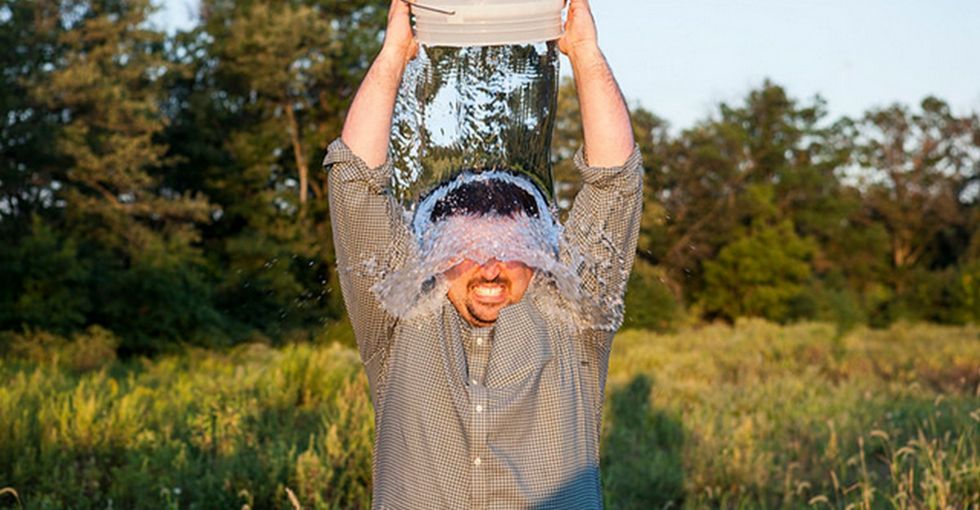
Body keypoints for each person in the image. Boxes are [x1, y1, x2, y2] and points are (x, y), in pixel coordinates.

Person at [324, 0, 642, 507]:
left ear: (540, 253)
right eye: (466, 250)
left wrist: (585, 52)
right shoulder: (396, 318)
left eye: (509, 249)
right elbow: (355, 185)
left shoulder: (575, 319)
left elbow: (615, 185)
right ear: (433, 254)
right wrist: (393, 55)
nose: (489, 268)